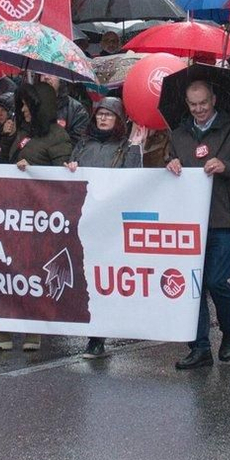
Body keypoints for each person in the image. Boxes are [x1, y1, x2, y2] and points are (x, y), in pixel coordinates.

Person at [166, 79, 230, 369]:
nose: (199, 109)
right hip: (189, 222)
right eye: (193, 104)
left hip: (223, 218)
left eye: (203, 103)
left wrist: (226, 166)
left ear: (214, 100)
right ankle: (200, 347)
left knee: (215, 281)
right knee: (193, 287)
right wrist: (170, 163)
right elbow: (168, 162)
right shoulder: (179, 134)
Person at [0, 82, 73, 354]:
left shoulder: (58, 136)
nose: (24, 110)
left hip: (40, 218)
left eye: (29, 105)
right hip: (15, 212)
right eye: (22, 105)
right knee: (8, 270)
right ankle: (3, 330)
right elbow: (6, 163)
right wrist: (6, 139)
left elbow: (63, 177)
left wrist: (35, 169)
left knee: (33, 272)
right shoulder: (22, 132)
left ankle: (33, 329)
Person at [66, 96, 143, 359]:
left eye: (109, 114)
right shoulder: (82, 144)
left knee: (101, 280)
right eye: (100, 113)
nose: (103, 118)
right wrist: (70, 169)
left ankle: (97, 338)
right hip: (84, 220)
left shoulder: (126, 147)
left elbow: (133, 179)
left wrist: (136, 148)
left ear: (119, 119)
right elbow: (71, 172)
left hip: (109, 224)